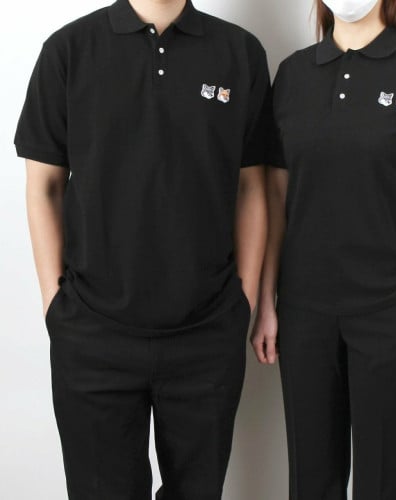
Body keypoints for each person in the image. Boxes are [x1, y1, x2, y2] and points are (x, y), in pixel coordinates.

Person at [14, 0, 271, 498]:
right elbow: (43, 185)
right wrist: (54, 306)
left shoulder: (239, 53)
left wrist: (242, 300)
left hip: (207, 335)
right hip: (92, 335)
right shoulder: (69, 50)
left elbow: (252, 186)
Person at [251, 0, 396, 499]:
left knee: (387, 482)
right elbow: (276, 194)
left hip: (393, 308)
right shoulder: (293, 74)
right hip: (305, 311)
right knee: (311, 481)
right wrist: (268, 302)